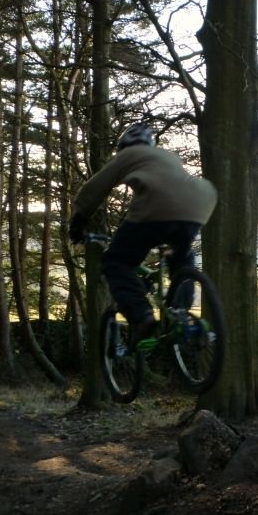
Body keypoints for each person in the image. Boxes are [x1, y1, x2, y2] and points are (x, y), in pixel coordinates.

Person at [69, 122, 217, 348]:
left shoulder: (128, 155)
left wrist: (78, 220)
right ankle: (181, 313)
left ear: (124, 144)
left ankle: (141, 317)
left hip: (157, 209)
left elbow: (96, 186)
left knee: (116, 262)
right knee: (180, 254)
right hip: (199, 204)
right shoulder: (165, 156)